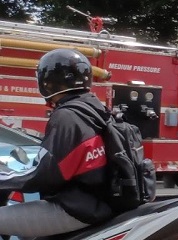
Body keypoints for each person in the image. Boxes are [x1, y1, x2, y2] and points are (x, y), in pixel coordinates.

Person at [0, 49, 114, 238]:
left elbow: (45, 175)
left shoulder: (67, 116)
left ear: (47, 82)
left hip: (77, 208)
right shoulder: (96, 109)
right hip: (101, 202)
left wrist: (5, 178)